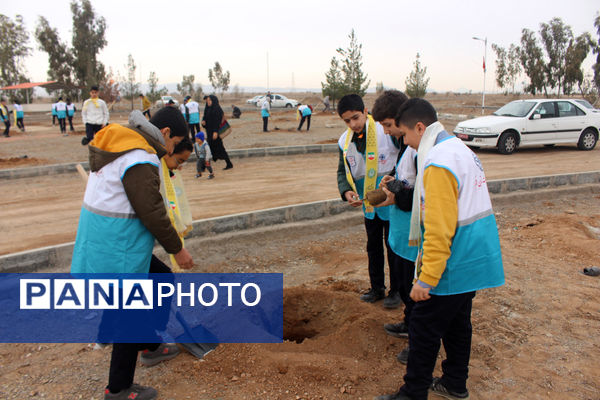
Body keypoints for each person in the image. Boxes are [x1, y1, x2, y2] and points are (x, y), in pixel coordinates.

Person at [374, 98, 504, 400]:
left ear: (420, 127)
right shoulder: (459, 150)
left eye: (405, 135)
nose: (405, 142)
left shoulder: (437, 162)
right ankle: (455, 382)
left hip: (454, 260)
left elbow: (439, 228)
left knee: (423, 325)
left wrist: (427, 278)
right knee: (458, 323)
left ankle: (413, 392)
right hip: (475, 255)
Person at [70, 106, 193, 400]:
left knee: (161, 278)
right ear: (165, 134)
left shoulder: (126, 143)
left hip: (110, 240)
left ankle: (148, 345)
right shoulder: (140, 156)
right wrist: (178, 250)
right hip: (117, 246)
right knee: (131, 310)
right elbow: (151, 211)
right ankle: (118, 389)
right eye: (175, 144)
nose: (170, 151)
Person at [336, 94, 400, 307]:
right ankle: (377, 288)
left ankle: (397, 291)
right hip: (369, 205)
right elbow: (341, 171)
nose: (353, 124)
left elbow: (405, 158)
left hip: (392, 204)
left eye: (356, 117)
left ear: (365, 112)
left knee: (393, 247)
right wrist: (346, 191)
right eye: (347, 121)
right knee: (373, 247)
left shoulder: (386, 131)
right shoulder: (344, 142)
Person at [372, 90, 417, 363]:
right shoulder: (407, 148)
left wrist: (395, 188)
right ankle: (409, 325)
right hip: (401, 236)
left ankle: (419, 341)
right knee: (405, 288)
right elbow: (406, 182)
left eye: (389, 126)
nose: (388, 132)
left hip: (412, 239)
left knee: (415, 293)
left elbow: (415, 195)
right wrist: (393, 180)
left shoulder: (417, 149)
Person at [202, 95, 233, 170]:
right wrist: (203, 122)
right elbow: (205, 117)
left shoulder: (217, 110)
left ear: (214, 101)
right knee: (208, 148)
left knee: (219, 149)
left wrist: (215, 132)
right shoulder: (207, 108)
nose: (208, 102)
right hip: (209, 132)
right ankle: (204, 166)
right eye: (207, 100)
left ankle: (229, 163)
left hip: (215, 133)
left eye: (209, 100)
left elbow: (217, 122)